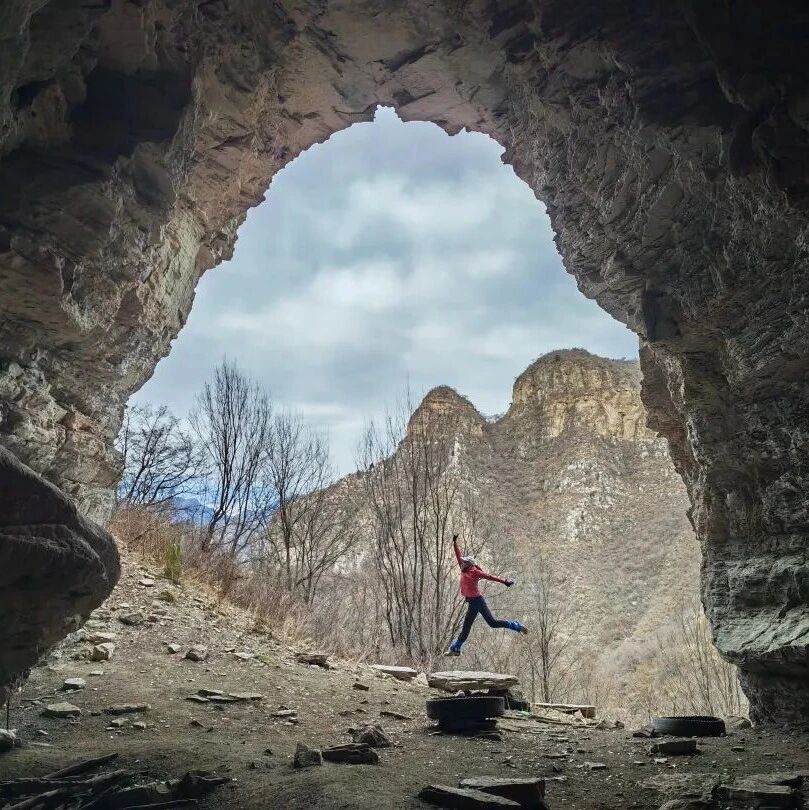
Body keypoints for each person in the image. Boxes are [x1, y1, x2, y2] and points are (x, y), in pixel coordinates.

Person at [446, 533, 528, 656]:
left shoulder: (475, 572)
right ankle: (456, 648)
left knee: (491, 623)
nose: (461, 563)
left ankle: (515, 625)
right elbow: (458, 555)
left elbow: (490, 577)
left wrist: (504, 582)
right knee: (469, 627)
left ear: (469, 564)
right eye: (462, 562)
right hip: (472, 602)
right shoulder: (463, 568)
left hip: (477, 601)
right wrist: (454, 542)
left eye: (464, 562)